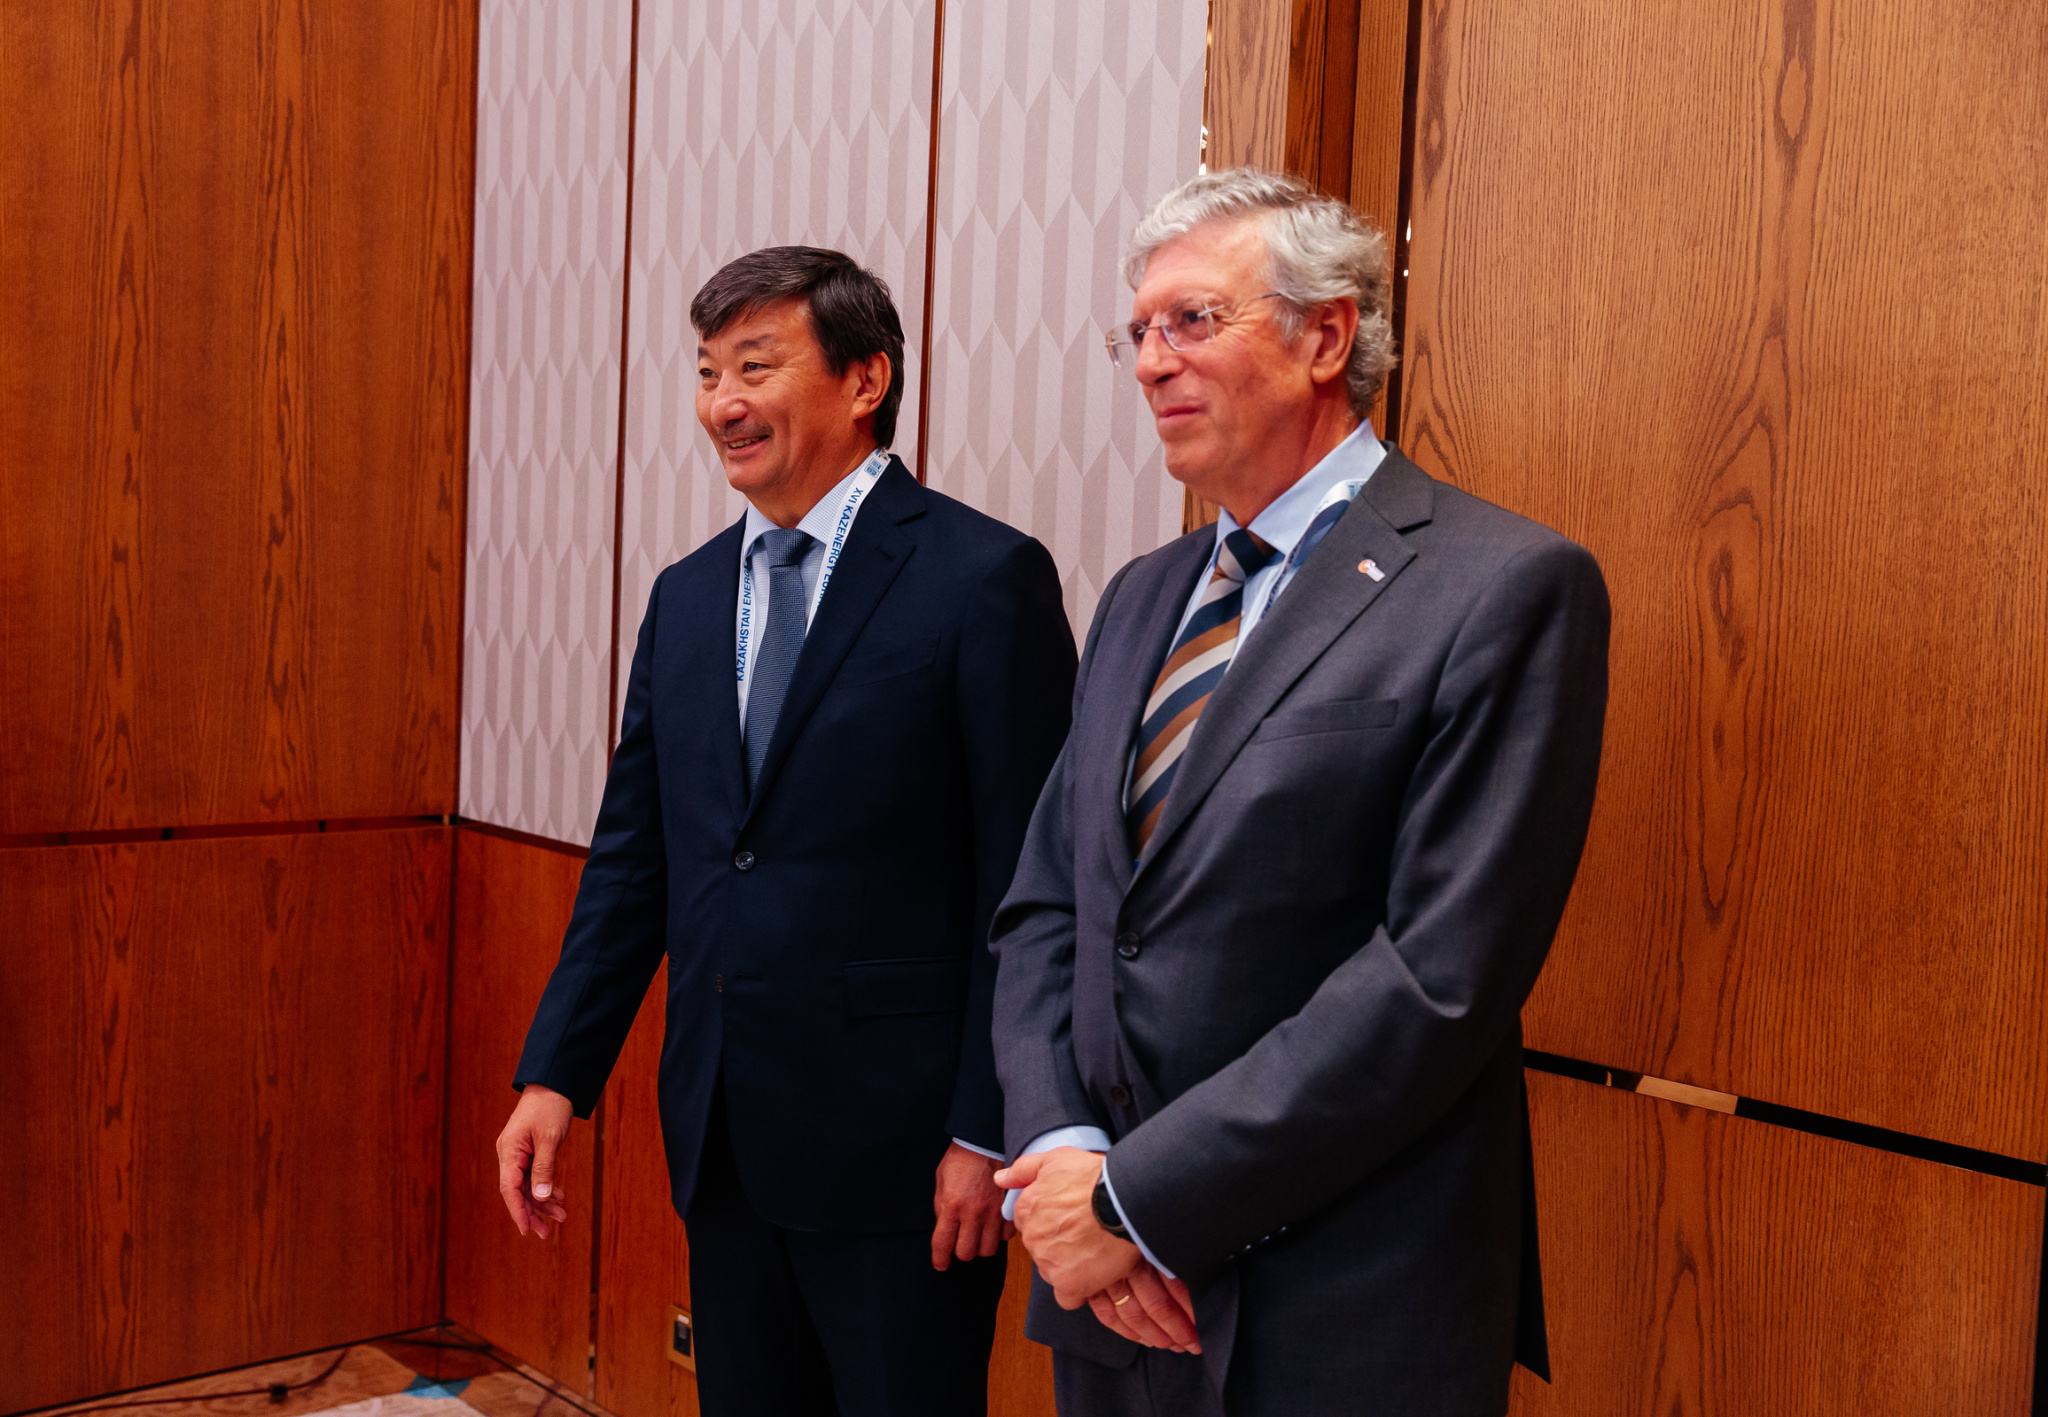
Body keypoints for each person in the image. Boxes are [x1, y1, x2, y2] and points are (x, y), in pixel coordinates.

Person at [989, 169, 1610, 1416]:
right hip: (1109, 1297)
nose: (1149, 362)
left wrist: (1135, 1200)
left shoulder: (1503, 586)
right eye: (1136, 332)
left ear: (1324, 336)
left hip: (1343, 1296)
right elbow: (1051, 904)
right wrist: (1060, 1153)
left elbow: (1435, 979)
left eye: (1190, 321)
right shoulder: (1142, 596)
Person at [494, 246, 1078, 1417]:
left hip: (905, 1155)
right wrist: (555, 1073)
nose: (722, 402)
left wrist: (986, 1128)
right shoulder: (687, 595)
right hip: (724, 1134)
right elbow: (634, 864)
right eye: (707, 371)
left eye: (754, 366)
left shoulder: (982, 578)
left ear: (865, 379)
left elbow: (1027, 887)